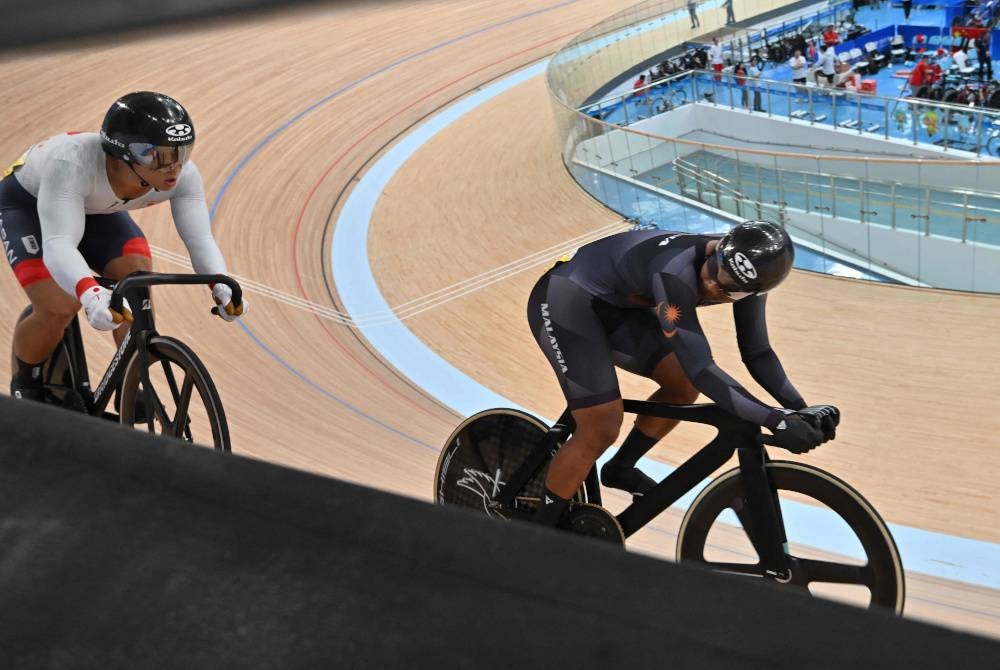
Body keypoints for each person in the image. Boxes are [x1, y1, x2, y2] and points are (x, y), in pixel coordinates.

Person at [526, 222, 837, 525]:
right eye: (717, 270)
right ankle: (538, 532)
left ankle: (620, 469)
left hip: (622, 305)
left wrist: (800, 409)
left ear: (751, 291)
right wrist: (776, 419)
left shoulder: (748, 277)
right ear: (718, 249)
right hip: (566, 298)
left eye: (730, 288)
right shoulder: (674, 270)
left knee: (683, 386)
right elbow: (702, 367)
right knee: (601, 426)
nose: (715, 285)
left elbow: (757, 353)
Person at [1, 91, 247, 401]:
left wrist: (220, 284)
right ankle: (27, 381)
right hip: (29, 206)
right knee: (59, 307)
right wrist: (91, 294)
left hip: (97, 209)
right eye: (159, 155)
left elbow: (200, 239)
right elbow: (59, 244)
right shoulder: (71, 164)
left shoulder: (184, 177)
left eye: (181, 152)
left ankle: (131, 383)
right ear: (124, 153)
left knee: (135, 280)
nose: (174, 167)